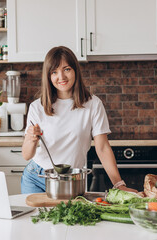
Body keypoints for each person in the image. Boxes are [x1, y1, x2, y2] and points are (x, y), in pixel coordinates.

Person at [21, 46, 137, 194]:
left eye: (66, 69)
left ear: (75, 70)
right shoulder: (38, 107)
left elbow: (102, 148)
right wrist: (31, 140)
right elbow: (26, 155)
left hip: (72, 179)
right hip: (37, 177)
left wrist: (119, 184)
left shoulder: (93, 104)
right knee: (37, 218)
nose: (61, 77)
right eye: (54, 72)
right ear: (48, 76)